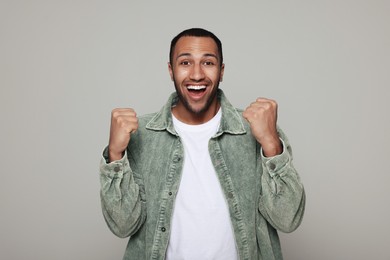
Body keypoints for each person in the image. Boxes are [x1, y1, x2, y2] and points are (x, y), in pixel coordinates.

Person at [99, 28, 305, 260]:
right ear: (171, 70)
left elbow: (288, 219)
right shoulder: (141, 134)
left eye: (208, 63)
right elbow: (123, 225)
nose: (196, 75)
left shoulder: (256, 129)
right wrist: (115, 154)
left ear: (222, 71)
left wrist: (270, 143)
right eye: (185, 62)